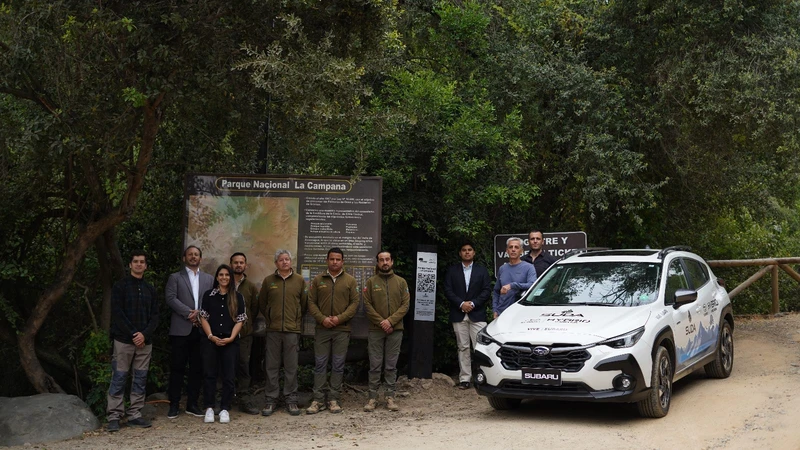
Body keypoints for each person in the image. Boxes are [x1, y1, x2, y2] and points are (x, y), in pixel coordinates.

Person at [106, 251, 159, 432]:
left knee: (140, 378)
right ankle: (114, 415)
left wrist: (143, 335)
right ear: (130, 265)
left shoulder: (150, 289)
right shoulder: (120, 287)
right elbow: (118, 314)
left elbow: (155, 316)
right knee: (119, 377)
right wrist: (134, 334)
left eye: (142, 262)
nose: (138, 264)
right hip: (123, 341)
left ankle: (135, 414)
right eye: (135, 261)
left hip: (145, 343)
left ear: (146, 266)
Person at [306, 247, 359, 414]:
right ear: (327, 260)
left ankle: (334, 399)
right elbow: (311, 302)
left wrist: (339, 319)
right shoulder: (318, 280)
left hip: (342, 330)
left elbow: (354, 304)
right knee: (320, 364)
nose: (334, 262)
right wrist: (323, 319)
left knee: (338, 364)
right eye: (332, 259)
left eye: (338, 259)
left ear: (342, 261)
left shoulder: (350, 281)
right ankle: (318, 400)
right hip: (322, 329)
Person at [165, 245, 214, 419]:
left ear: (200, 258)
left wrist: (199, 314)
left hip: (201, 329)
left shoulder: (209, 279)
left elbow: (212, 300)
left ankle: (192, 404)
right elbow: (170, 298)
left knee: (197, 369)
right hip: (180, 329)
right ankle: (174, 405)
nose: (193, 257)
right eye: (190, 254)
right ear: (184, 258)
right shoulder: (175, 278)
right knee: (177, 368)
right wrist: (189, 313)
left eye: (196, 255)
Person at [257, 249, 307, 417]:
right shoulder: (268, 281)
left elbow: (304, 304)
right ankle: (271, 400)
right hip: (273, 331)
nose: (285, 262)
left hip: (292, 331)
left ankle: (291, 400)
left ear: (290, 261)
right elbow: (262, 304)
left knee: (291, 367)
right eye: (281, 260)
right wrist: (271, 317)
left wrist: (295, 319)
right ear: (276, 263)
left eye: (287, 259)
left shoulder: (299, 280)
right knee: (271, 366)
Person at [199, 264, 247, 424]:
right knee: (209, 374)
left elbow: (240, 320)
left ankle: (225, 408)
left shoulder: (237, 296)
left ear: (230, 278)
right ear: (217, 277)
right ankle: (209, 408)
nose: (224, 277)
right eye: (221, 275)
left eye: (227, 275)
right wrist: (211, 336)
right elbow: (203, 317)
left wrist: (231, 338)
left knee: (229, 376)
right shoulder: (208, 295)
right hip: (211, 341)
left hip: (230, 341)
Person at [362, 250, 410, 412]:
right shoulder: (370, 282)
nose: (385, 262)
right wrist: (381, 322)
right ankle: (372, 398)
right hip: (375, 330)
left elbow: (405, 305)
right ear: (377, 263)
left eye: (387, 259)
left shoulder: (401, 282)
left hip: (395, 330)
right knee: (375, 365)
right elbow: (367, 305)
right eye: (381, 260)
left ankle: (390, 396)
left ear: (392, 262)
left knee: (391, 365)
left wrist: (390, 321)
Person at [443, 241, 491, 390]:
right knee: (462, 347)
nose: (467, 252)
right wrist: (461, 304)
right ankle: (465, 379)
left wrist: (473, 304)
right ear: (460, 253)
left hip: (477, 313)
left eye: (470, 250)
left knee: (480, 348)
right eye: (464, 250)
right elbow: (448, 290)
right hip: (458, 313)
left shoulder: (482, 270)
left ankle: (481, 377)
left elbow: (486, 290)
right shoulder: (452, 271)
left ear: (474, 252)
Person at [229, 252, 260, 415]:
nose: (238, 265)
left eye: (241, 262)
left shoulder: (251, 286)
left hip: (245, 334)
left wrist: (245, 324)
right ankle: (224, 399)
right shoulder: (224, 281)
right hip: (225, 333)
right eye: (236, 262)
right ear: (231, 264)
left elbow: (254, 308)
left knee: (243, 366)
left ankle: (243, 399)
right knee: (224, 365)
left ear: (245, 265)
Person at [492, 237, 537, 318]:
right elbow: (496, 291)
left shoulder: (529, 267)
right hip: (502, 312)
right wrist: (495, 309)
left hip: (520, 313)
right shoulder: (502, 268)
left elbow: (533, 285)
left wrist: (512, 285)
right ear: (507, 250)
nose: (513, 249)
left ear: (521, 251)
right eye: (510, 247)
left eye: (516, 247)